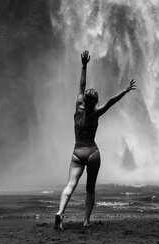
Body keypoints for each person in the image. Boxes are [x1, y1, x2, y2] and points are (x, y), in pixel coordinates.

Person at [54, 50, 136, 230]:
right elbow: (111, 102)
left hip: (77, 152)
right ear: (96, 102)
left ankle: (60, 213)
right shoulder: (96, 113)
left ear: (84, 100)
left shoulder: (78, 107)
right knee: (90, 189)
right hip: (92, 152)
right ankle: (86, 221)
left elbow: (81, 86)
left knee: (70, 185)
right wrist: (125, 90)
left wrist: (84, 66)